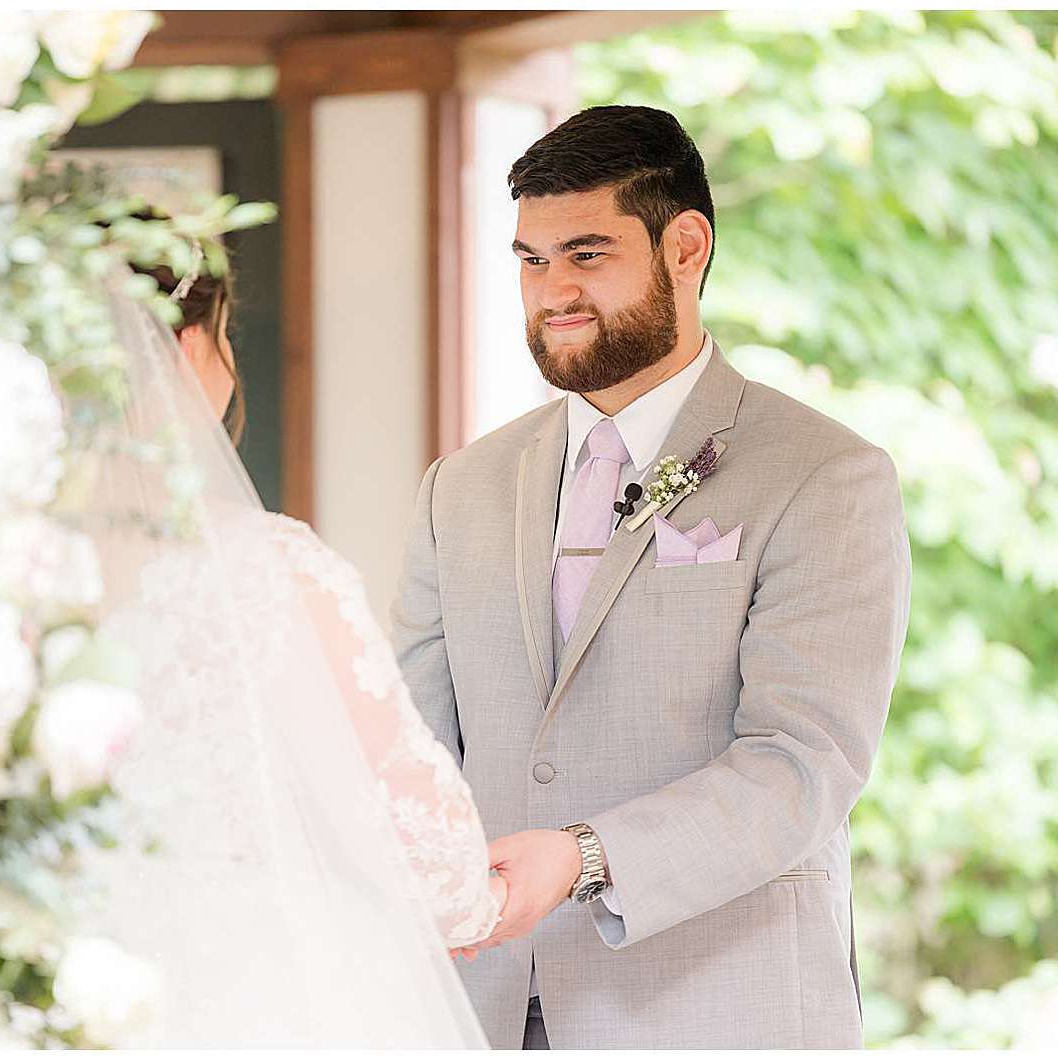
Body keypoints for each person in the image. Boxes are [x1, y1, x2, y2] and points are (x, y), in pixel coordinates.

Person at [389, 105, 913, 1048]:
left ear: (686, 245)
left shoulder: (826, 475)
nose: (552, 292)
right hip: (486, 1013)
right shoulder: (455, 490)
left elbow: (803, 767)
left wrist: (585, 856)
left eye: (586, 256)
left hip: (719, 1010)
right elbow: (414, 754)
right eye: (531, 260)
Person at [62, 253, 504, 1046]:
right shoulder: (272, 570)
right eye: (225, 336)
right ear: (190, 349)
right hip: (260, 987)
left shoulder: (4, 579)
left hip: (62, 979)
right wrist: (476, 897)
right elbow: (422, 839)